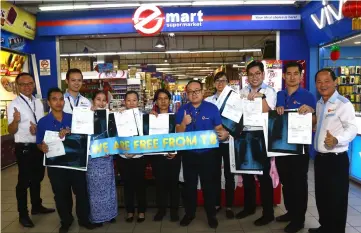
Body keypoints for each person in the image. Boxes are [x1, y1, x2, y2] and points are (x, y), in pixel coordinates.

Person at [36, 88, 97, 233]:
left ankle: (84, 219)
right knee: (61, 194)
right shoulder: (43, 122)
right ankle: (66, 220)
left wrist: (73, 131)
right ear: (49, 102)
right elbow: (39, 143)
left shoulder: (73, 117)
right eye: (54, 99)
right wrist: (42, 147)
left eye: (61, 99)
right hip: (55, 165)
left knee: (81, 192)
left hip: (76, 163)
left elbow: (85, 134)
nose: (58, 102)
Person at [309, 69, 358, 233]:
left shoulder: (343, 104)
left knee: (337, 200)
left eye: (326, 81)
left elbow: (352, 129)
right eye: (319, 82)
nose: (323, 85)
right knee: (322, 197)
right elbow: (321, 126)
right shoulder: (320, 103)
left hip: (336, 160)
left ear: (335, 82)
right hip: (321, 159)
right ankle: (325, 227)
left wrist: (337, 139)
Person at [176, 80, 229, 229]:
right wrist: (183, 124)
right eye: (191, 91)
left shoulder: (212, 108)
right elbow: (177, 132)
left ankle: (211, 215)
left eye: (197, 90)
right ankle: (189, 213)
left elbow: (218, 128)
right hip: (189, 154)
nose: (194, 94)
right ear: (187, 93)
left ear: (202, 91)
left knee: (209, 186)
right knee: (189, 186)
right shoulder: (182, 110)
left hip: (208, 154)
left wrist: (224, 134)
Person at [7, 72, 55, 228]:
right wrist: (15, 120)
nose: (27, 87)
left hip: (38, 146)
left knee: (38, 178)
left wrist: (38, 129)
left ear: (34, 84)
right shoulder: (14, 104)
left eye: (30, 83)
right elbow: (11, 130)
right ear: (18, 86)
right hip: (25, 148)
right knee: (24, 182)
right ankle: (23, 214)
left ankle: (36, 206)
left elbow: (41, 123)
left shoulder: (38, 102)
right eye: (23, 84)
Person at [275, 62, 316, 233]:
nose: (292, 77)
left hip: (300, 148)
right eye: (289, 74)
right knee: (286, 182)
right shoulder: (279, 94)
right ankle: (291, 212)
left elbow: (315, 122)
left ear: (300, 76)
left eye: (295, 74)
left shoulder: (308, 96)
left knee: (299, 183)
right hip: (281, 146)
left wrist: (311, 112)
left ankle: (299, 220)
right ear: (284, 76)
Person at [236, 61, 277, 226]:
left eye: (257, 73)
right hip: (244, 135)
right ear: (247, 76)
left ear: (263, 74)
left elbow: (269, 111)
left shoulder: (270, 91)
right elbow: (237, 112)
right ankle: (249, 207)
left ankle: (268, 213)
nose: (254, 77)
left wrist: (261, 98)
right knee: (246, 175)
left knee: (264, 176)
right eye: (251, 74)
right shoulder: (242, 92)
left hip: (262, 137)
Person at [205, 72, 235, 219]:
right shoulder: (208, 101)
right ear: (214, 83)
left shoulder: (234, 99)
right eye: (217, 81)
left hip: (229, 142)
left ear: (228, 82)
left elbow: (238, 121)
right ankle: (216, 203)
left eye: (223, 80)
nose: (220, 83)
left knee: (230, 175)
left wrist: (228, 133)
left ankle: (229, 205)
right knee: (214, 174)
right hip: (213, 143)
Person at [150, 89, 181, 222]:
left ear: (169, 100)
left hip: (173, 156)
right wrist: (148, 120)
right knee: (160, 184)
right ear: (156, 101)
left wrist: (175, 152)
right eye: (160, 98)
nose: (163, 101)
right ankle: (161, 210)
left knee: (174, 184)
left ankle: (174, 210)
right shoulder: (151, 117)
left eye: (165, 98)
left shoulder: (176, 116)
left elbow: (181, 136)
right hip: (157, 156)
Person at [86, 91, 118, 225]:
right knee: (94, 188)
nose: (101, 102)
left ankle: (110, 214)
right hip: (93, 158)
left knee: (109, 186)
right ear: (92, 101)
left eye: (104, 100)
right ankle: (96, 216)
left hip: (107, 157)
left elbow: (116, 134)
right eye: (98, 99)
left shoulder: (110, 116)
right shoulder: (87, 115)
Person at [119, 90, 147, 223]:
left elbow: (147, 137)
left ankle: (141, 211)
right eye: (128, 100)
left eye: (134, 100)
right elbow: (115, 137)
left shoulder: (143, 117)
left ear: (138, 102)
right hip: (123, 157)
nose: (131, 103)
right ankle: (130, 211)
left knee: (140, 184)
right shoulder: (118, 116)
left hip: (139, 157)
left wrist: (135, 151)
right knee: (127, 185)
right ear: (125, 102)